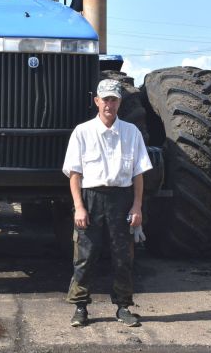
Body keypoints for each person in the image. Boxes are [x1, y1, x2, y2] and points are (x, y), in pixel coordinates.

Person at [62, 78, 152, 328]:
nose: (109, 104)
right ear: (96, 101)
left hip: (121, 200)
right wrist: (79, 207)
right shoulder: (82, 132)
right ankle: (81, 307)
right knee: (85, 256)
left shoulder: (131, 133)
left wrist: (137, 206)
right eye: (105, 100)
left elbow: (138, 174)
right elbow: (74, 175)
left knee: (123, 257)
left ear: (119, 102)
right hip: (91, 199)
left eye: (114, 99)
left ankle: (123, 307)